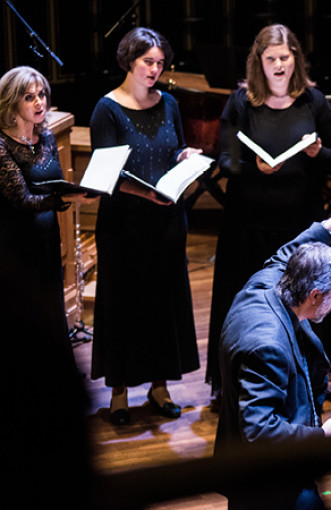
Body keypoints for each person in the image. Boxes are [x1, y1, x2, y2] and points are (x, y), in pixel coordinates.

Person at [207, 24, 331, 400]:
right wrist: (254, 167)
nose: (279, 65)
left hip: (299, 223)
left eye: (285, 57)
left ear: (295, 58)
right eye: (271, 59)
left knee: (304, 302)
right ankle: (233, 383)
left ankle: (310, 378)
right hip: (247, 223)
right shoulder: (241, 101)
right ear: (259, 63)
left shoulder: (313, 101)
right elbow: (226, 159)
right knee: (245, 303)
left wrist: (316, 154)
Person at [214, 205, 331, 510]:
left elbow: (283, 255)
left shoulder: (264, 284)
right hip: (271, 483)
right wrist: (320, 436)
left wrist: (329, 225)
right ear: (315, 294)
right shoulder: (268, 347)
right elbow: (259, 429)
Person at [89, 28, 203, 425]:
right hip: (124, 224)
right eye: (147, 62)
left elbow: (173, 149)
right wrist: (145, 195)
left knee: (162, 304)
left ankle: (160, 387)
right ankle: (119, 394)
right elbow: (106, 175)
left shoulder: (169, 102)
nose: (155, 70)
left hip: (168, 218)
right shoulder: (107, 108)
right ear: (129, 61)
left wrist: (185, 155)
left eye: (159, 63)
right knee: (123, 304)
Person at [1, 66, 96, 506]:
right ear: (12, 102)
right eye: (30, 97)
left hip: (46, 236)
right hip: (15, 243)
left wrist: (69, 194)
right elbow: (21, 199)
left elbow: (53, 180)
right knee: (30, 309)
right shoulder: (1, 145)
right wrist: (64, 198)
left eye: (42, 95)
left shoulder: (43, 138)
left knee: (54, 307)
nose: (39, 103)